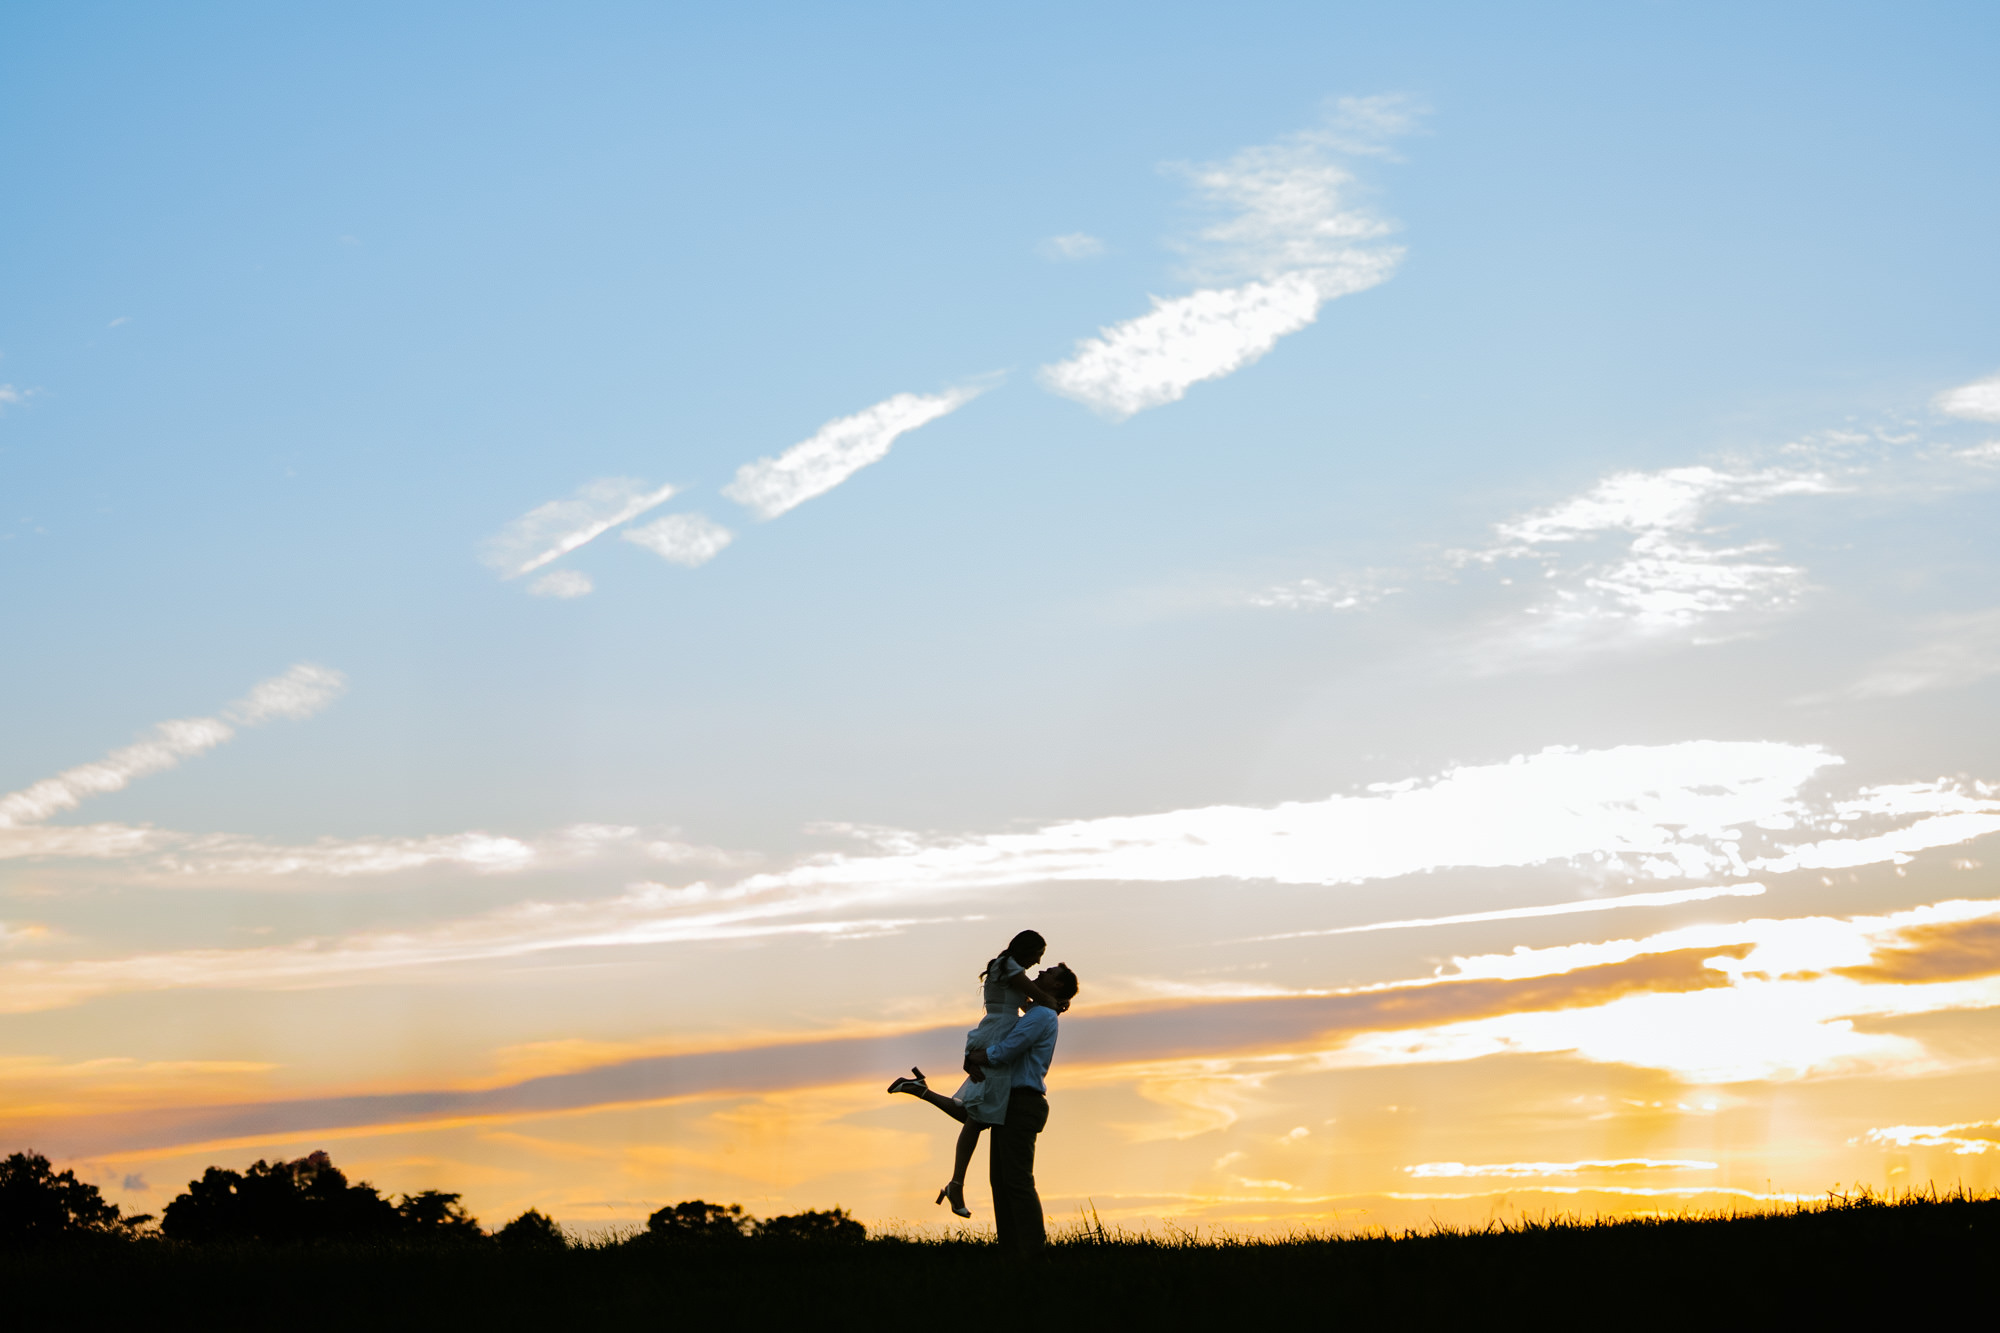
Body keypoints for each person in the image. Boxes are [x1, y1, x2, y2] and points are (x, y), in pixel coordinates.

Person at [891, 962, 1079, 1255]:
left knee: (1016, 1181)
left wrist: (979, 1056)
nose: (1041, 972)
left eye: (1050, 972)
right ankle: (1013, 1250)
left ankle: (1031, 1252)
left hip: (1022, 1101)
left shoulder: (1042, 1014)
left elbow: (1010, 1047)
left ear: (1057, 986)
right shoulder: (1038, 1011)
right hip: (1011, 1098)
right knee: (1001, 1181)